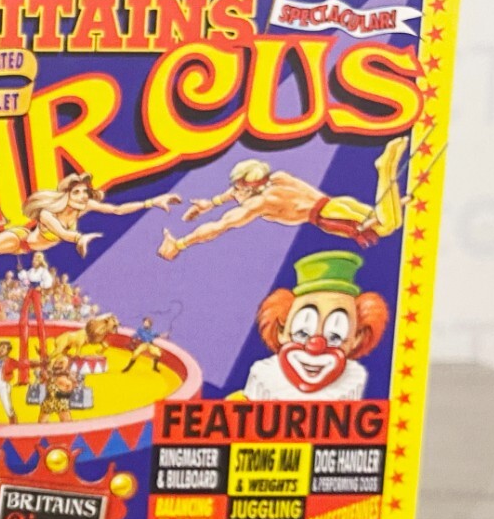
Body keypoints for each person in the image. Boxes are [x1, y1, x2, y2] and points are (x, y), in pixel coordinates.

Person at [159, 137, 407, 260]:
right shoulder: (278, 178)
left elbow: (220, 226)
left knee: (387, 225)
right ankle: (389, 179)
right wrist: (212, 203)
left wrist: (181, 244)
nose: (235, 192)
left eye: (240, 187)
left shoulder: (260, 203)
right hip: (337, 205)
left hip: (328, 215)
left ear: (249, 186)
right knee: (389, 220)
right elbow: (234, 193)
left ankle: (385, 168)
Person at [243, 251, 389, 400]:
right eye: (302, 333)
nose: (315, 346)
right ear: (281, 329)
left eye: (335, 336)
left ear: (357, 337)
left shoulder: (353, 380)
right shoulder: (263, 376)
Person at [0, 171, 181, 258]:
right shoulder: (47, 214)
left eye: (85, 192)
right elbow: (62, 234)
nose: (83, 196)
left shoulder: (84, 206)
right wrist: (79, 238)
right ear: (66, 194)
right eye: (77, 192)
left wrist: (151, 202)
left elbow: (117, 209)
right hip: (19, 241)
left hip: (25, 246)